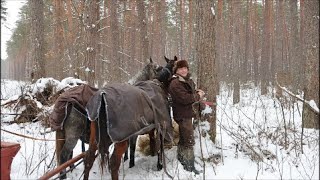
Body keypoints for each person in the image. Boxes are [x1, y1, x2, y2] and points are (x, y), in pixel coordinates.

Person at [168, 59, 205, 174]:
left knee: (184, 139)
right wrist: (198, 95)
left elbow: (189, 92)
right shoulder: (175, 83)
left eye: (185, 68)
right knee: (189, 141)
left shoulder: (186, 80)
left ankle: (182, 159)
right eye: (181, 69)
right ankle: (190, 166)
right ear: (176, 70)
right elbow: (185, 98)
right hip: (183, 115)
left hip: (188, 113)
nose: (183, 70)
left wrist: (196, 91)